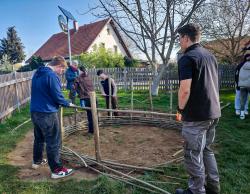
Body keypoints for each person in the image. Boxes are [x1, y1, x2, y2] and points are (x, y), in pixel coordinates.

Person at [176, 23, 221, 194]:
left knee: (192, 153)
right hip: (213, 112)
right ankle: (213, 187)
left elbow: (185, 89)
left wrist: (180, 110)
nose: (179, 42)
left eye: (180, 38)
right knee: (206, 150)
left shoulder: (187, 58)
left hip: (196, 116)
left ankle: (196, 191)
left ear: (186, 38)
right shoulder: (210, 56)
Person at [30, 56, 74, 179]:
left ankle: (36, 161)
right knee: (53, 140)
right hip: (47, 113)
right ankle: (57, 170)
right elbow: (57, 96)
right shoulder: (51, 76)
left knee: (39, 138)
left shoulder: (37, 74)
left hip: (35, 111)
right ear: (59, 66)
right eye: (62, 70)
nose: (62, 73)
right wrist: (67, 103)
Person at [74, 66, 95, 134]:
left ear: (80, 71)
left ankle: (91, 131)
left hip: (87, 98)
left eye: (78, 71)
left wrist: (79, 94)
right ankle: (95, 129)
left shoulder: (78, 78)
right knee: (95, 114)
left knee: (90, 115)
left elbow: (75, 87)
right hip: (94, 97)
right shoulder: (89, 76)